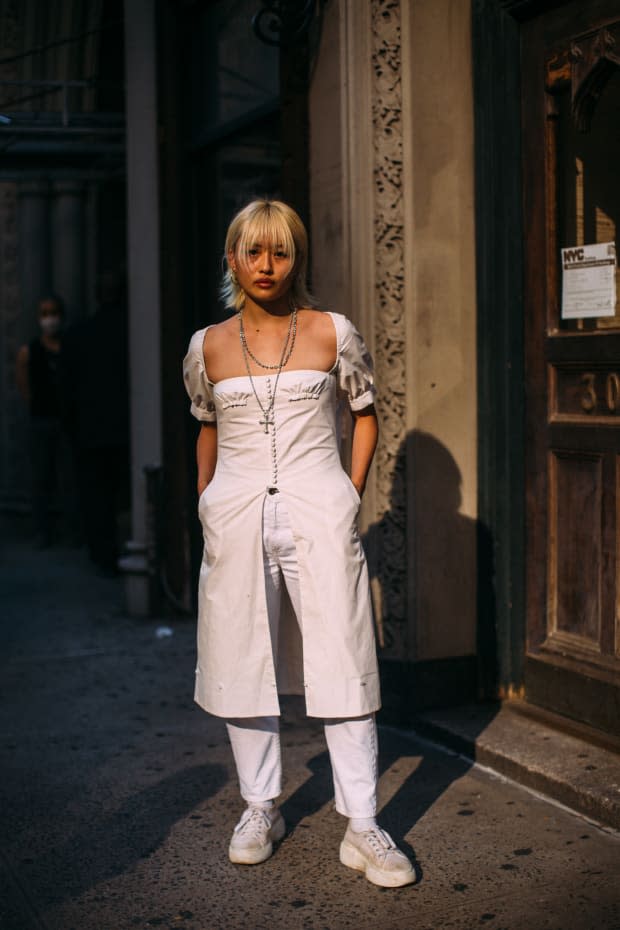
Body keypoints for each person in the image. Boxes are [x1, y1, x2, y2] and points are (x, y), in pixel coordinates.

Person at [183, 200, 415, 888]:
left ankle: (364, 822)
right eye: (253, 251)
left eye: (280, 252)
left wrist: (349, 492)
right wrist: (207, 501)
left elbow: (366, 411)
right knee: (241, 657)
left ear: (296, 259)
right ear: (232, 259)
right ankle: (260, 806)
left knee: (344, 653)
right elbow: (206, 426)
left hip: (319, 507)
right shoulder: (208, 346)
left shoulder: (331, 332)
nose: (266, 265)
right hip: (237, 511)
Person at [16, 295, 74, 547]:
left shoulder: (69, 348)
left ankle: (71, 531)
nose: (49, 319)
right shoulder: (29, 351)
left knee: (68, 478)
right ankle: (43, 531)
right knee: (41, 478)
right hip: (41, 421)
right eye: (44, 313)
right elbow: (24, 387)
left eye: (53, 313)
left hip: (66, 421)